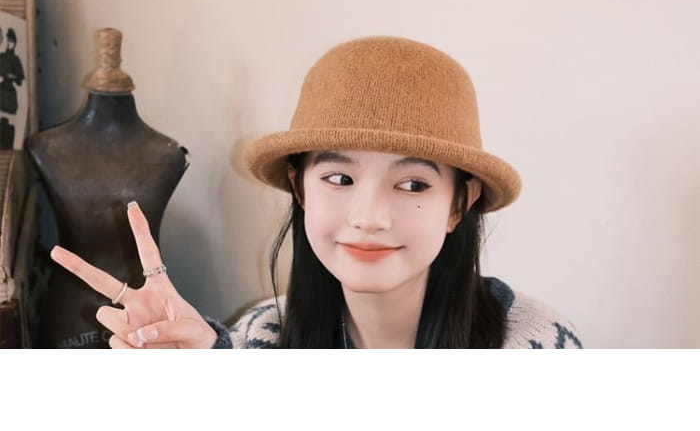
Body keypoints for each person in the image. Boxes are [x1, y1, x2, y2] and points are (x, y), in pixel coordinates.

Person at [50, 35, 583, 348]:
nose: (369, 217)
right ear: (299, 187)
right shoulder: (256, 341)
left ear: (459, 205)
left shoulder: (535, 345)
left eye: (413, 184)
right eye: (340, 179)